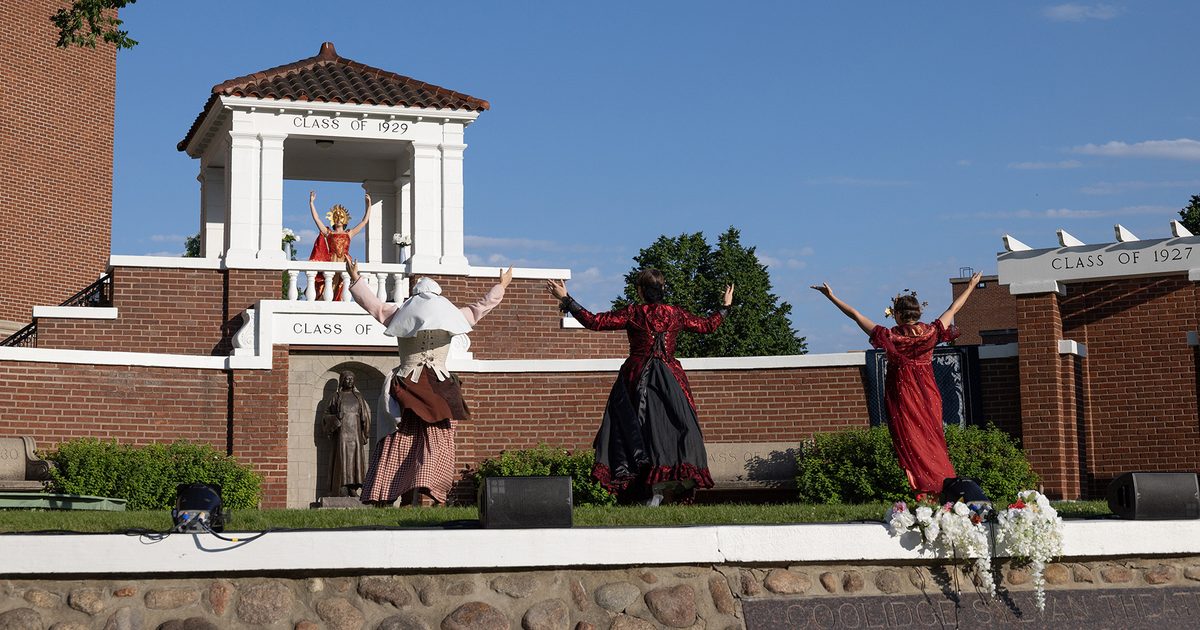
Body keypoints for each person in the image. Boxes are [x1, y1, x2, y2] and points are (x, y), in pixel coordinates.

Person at [547, 270, 733, 506]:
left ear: (641, 291)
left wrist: (567, 299)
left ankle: (650, 491)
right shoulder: (675, 314)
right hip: (670, 380)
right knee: (675, 428)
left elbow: (594, 321)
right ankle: (667, 485)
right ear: (662, 290)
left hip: (637, 380)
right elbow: (707, 326)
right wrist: (725, 307)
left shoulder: (634, 312)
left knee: (637, 433)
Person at [347, 257, 512, 506]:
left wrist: (355, 277)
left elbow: (374, 305)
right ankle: (425, 489)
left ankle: (392, 492)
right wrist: (501, 286)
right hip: (439, 387)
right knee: (433, 441)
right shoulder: (454, 315)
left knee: (399, 439)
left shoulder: (400, 312)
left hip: (406, 384)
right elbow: (481, 307)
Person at [810, 272, 983, 494]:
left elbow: (855, 315)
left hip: (903, 394)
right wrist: (970, 285)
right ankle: (942, 484)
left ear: (898, 315)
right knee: (933, 439)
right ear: (918, 313)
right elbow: (953, 309)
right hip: (928, 393)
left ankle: (924, 487)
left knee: (912, 441)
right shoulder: (931, 332)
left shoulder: (891, 336)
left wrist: (831, 297)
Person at [308, 190, 373, 300]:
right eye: (336, 217)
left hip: (344, 262)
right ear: (333, 219)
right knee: (331, 286)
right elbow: (317, 219)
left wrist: (369, 205)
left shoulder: (349, 234)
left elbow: (364, 222)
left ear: (345, 219)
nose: (338, 219)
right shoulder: (329, 233)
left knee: (342, 287)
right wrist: (311, 203)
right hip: (332, 261)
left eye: (341, 217)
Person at [320, 370, 371, 497]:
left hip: (355, 434)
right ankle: (342, 486)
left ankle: (353, 487)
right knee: (342, 460)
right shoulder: (335, 397)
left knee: (355, 460)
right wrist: (335, 417)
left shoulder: (358, 397)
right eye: (347, 379)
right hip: (342, 435)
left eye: (352, 379)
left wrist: (365, 433)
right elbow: (325, 416)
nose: (349, 381)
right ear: (342, 380)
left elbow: (365, 416)